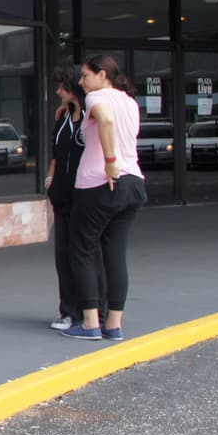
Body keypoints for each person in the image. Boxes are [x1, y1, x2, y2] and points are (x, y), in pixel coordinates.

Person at [63, 54, 147, 341]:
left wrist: (110, 161)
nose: (82, 82)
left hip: (99, 183)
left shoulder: (96, 98)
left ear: (102, 75)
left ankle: (89, 323)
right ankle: (114, 323)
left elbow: (106, 121)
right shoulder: (130, 102)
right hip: (133, 182)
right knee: (115, 254)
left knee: (82, 250)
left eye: (86, 76)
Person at [46, 67, 104, 331]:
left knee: (88, 253)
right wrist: (50, 181)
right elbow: (56, 154)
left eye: (61, 86)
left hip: (85, 193)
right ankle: (68, 310)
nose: (58, 91)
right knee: (63, 255)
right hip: (62, 195)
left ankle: (94, 310)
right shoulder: (63, 117)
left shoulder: (92, 117)